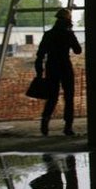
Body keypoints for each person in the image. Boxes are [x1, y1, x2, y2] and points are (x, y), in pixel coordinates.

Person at [35, 8, 82, 136]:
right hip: (65, 66)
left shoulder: (49, 34)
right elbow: (78, 50)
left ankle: (45, 123)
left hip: (51, 67)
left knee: (52, 97)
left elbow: (40, 54)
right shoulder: (68, 34)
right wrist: (71, 34)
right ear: (68, 20)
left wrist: (39, 72)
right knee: (69, 97)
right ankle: (68, 127)